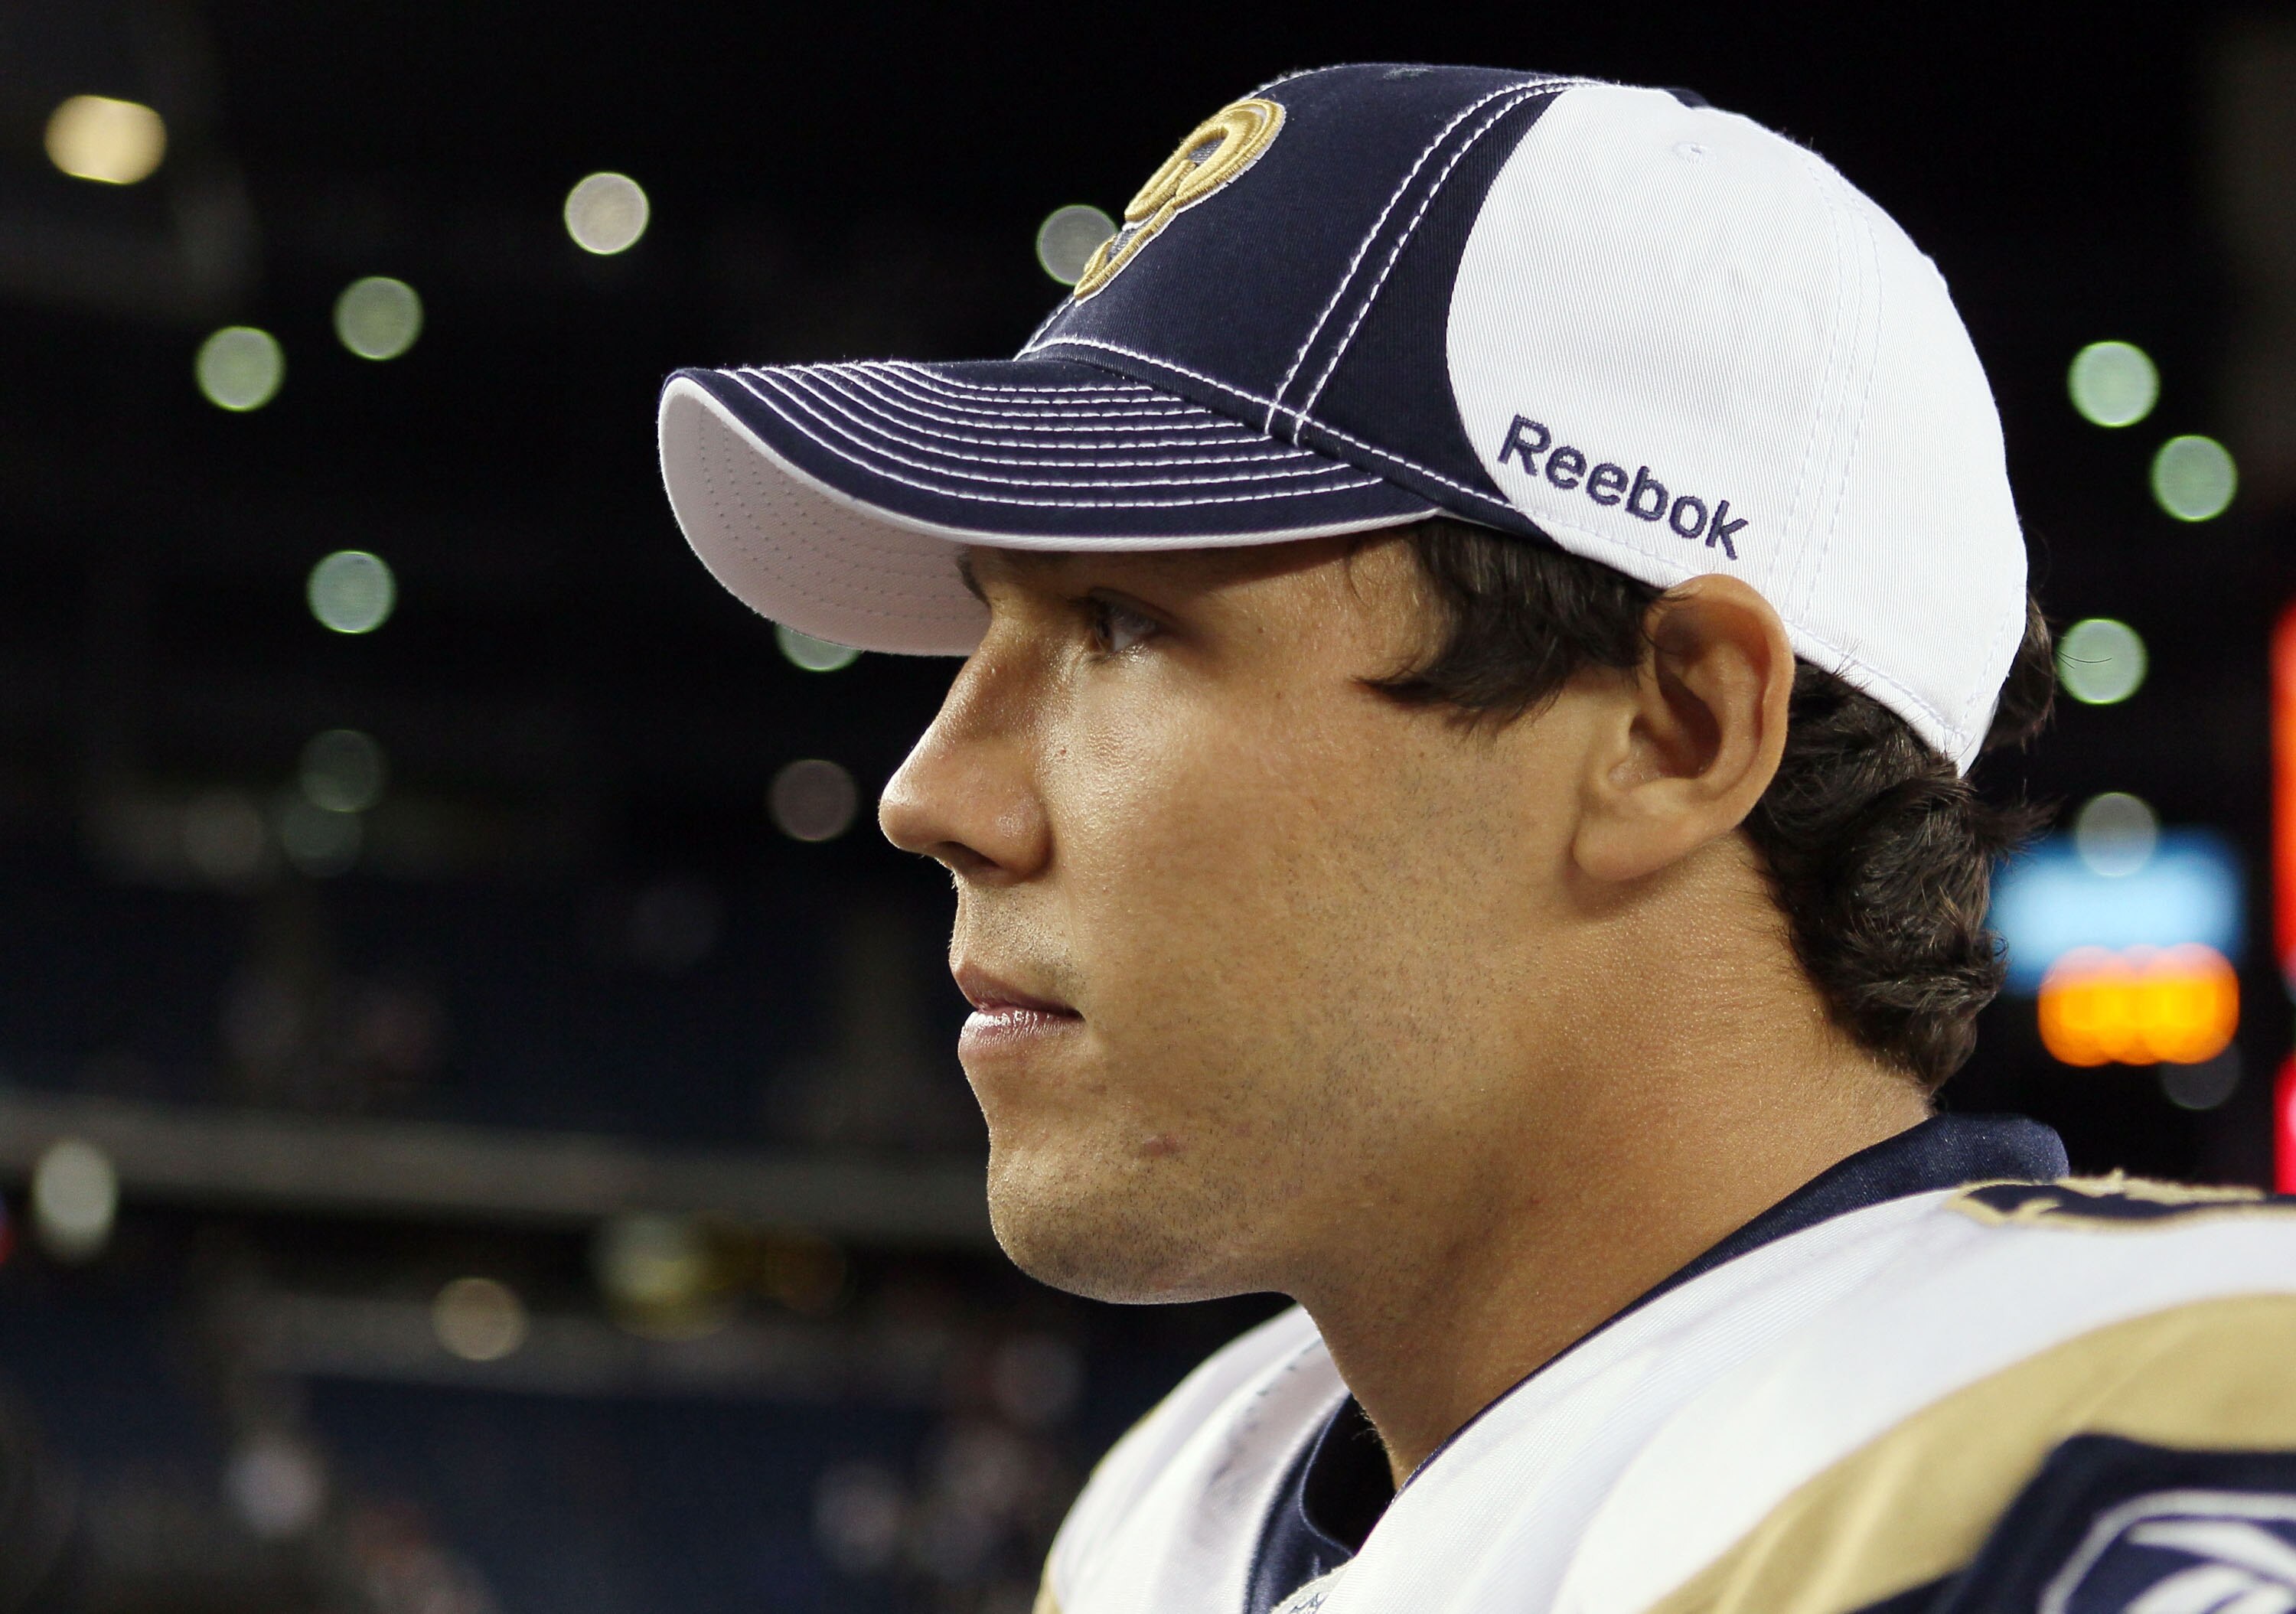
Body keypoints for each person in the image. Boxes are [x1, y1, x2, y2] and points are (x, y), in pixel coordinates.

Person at [657, 64, 2296, 1614]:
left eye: (1122, 622)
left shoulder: (2134, 1484)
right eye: (986, 628)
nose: (934, 791)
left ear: (1677, 729)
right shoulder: (1183, 1508)